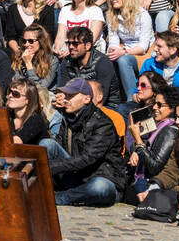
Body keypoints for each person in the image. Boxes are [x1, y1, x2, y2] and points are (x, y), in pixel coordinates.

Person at [40, 77, 128, 206]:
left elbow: (86, 158)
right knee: (47, 144)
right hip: (77, 176)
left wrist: (50, 167)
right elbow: (58, 146)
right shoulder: (68, 118)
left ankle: (59, 198)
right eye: (66, 95)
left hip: (103, 179)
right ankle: (38, 190)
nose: (66, 99)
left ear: (87, 99)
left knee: (99, 187)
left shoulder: (103, 124)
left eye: (71, 96)